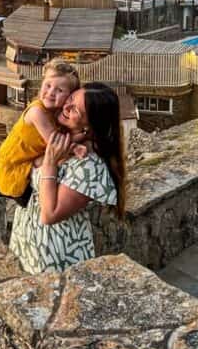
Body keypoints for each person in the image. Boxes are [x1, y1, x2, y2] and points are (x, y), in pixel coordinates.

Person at [9, 83, 126, 275]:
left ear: (90, 125)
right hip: (26, 240)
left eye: (76, 110)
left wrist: (50, 163)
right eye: (70, 99)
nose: (66, 107)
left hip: (56, 252)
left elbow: (50, 214)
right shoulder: (56, 138)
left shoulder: (89, 165)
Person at [0, 60, 82, 217]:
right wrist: (76, 147)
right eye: (48, 85)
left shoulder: (54, 112)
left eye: (59, 90)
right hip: (14, 161)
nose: (51, 92)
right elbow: (56, 143)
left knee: (43, 164)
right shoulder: (37, 112)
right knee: (25, 198)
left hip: (28, 157)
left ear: (69, 96)